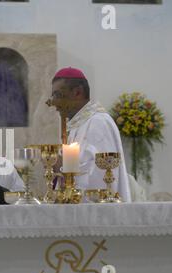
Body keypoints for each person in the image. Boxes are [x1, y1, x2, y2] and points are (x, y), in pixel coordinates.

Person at [51, 67, 131, 202]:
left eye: (58, 95)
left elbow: (100, 177)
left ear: (77, 92)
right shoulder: (79, 124)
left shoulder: (98, 123)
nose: (53, 102)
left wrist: (62, 167)